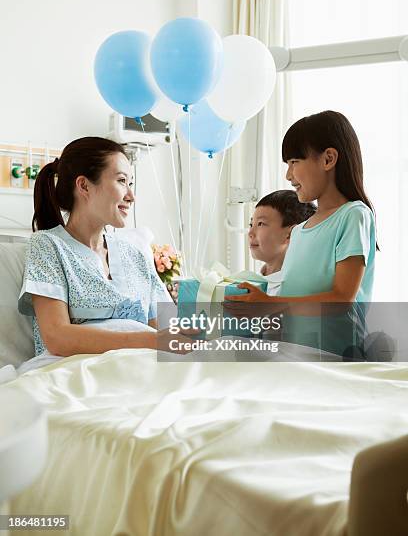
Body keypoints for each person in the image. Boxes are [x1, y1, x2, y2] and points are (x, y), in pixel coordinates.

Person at [18, 136, 195, 362]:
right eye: (122, 181)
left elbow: (169, 328)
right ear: (84, 186)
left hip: (144, 366)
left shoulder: (135, 254)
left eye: (130, 184)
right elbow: (57, 337)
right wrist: (150, 341)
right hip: (76, 371)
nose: (131, 196)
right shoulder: (48, 246)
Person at [226, 110, 378, 357]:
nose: (288, 175)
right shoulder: (299, 231)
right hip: (297, 356)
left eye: (294, 162)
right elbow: (292, 302)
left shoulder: (353, 215)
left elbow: (342, 298)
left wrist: (270, 305)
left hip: (337, 357)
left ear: (328, 159)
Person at [249, 190, 316, 295]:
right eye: (251, 224)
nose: (250, 233)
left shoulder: (300, 291)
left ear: (291, 234)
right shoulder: (251, 282)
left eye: (261, 224)